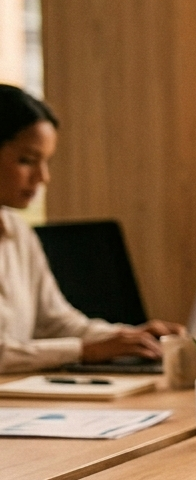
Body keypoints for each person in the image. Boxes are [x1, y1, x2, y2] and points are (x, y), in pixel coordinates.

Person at [0, 85, 182, 372]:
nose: (43, 177)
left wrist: (127, 337)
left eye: (46, 162)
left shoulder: (17, 232)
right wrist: (83, 350)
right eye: (27, 161)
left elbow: (56, 322)